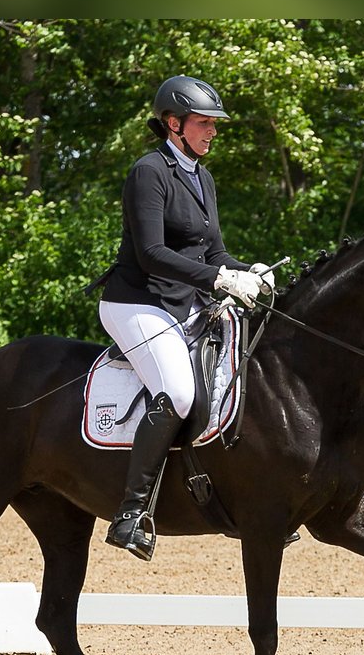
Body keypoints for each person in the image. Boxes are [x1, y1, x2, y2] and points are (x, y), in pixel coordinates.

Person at [93, 75, 272, 561]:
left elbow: (214, 250)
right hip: (138, 302)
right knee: (178, 391)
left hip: (185, 302)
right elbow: (151, 253)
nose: (213, 131)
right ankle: (131, 513)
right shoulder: (148, 172)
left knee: (245, 369)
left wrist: (245, 269)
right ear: (174, 123)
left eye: (214, 123)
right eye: (204, 123)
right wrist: (218, 280)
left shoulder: (202, 176)